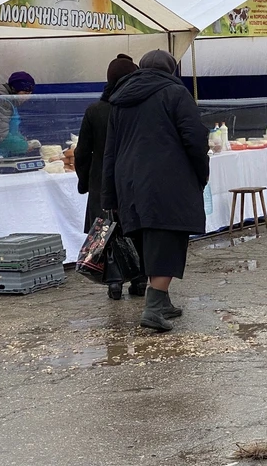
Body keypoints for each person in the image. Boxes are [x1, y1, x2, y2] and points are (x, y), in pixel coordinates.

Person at [102, 49, 210, 332]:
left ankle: (163, 302)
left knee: (149, 239)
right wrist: (201, 172)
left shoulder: (120, 100)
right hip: (167, 178)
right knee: (168, 237)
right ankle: (152, 308)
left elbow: (110, 152)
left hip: (130, 182)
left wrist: (109, 194)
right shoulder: (175, 93)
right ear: (171, 70)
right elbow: (195, 137)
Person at [76, 54, 143, 301]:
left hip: (101, 181)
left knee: (109, 231)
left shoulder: (96, 110)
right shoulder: (138, 109)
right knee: (136, 230)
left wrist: (83, 182)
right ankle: (139, 279)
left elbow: (82, 151)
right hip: (134, 179)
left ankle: (114, 282)